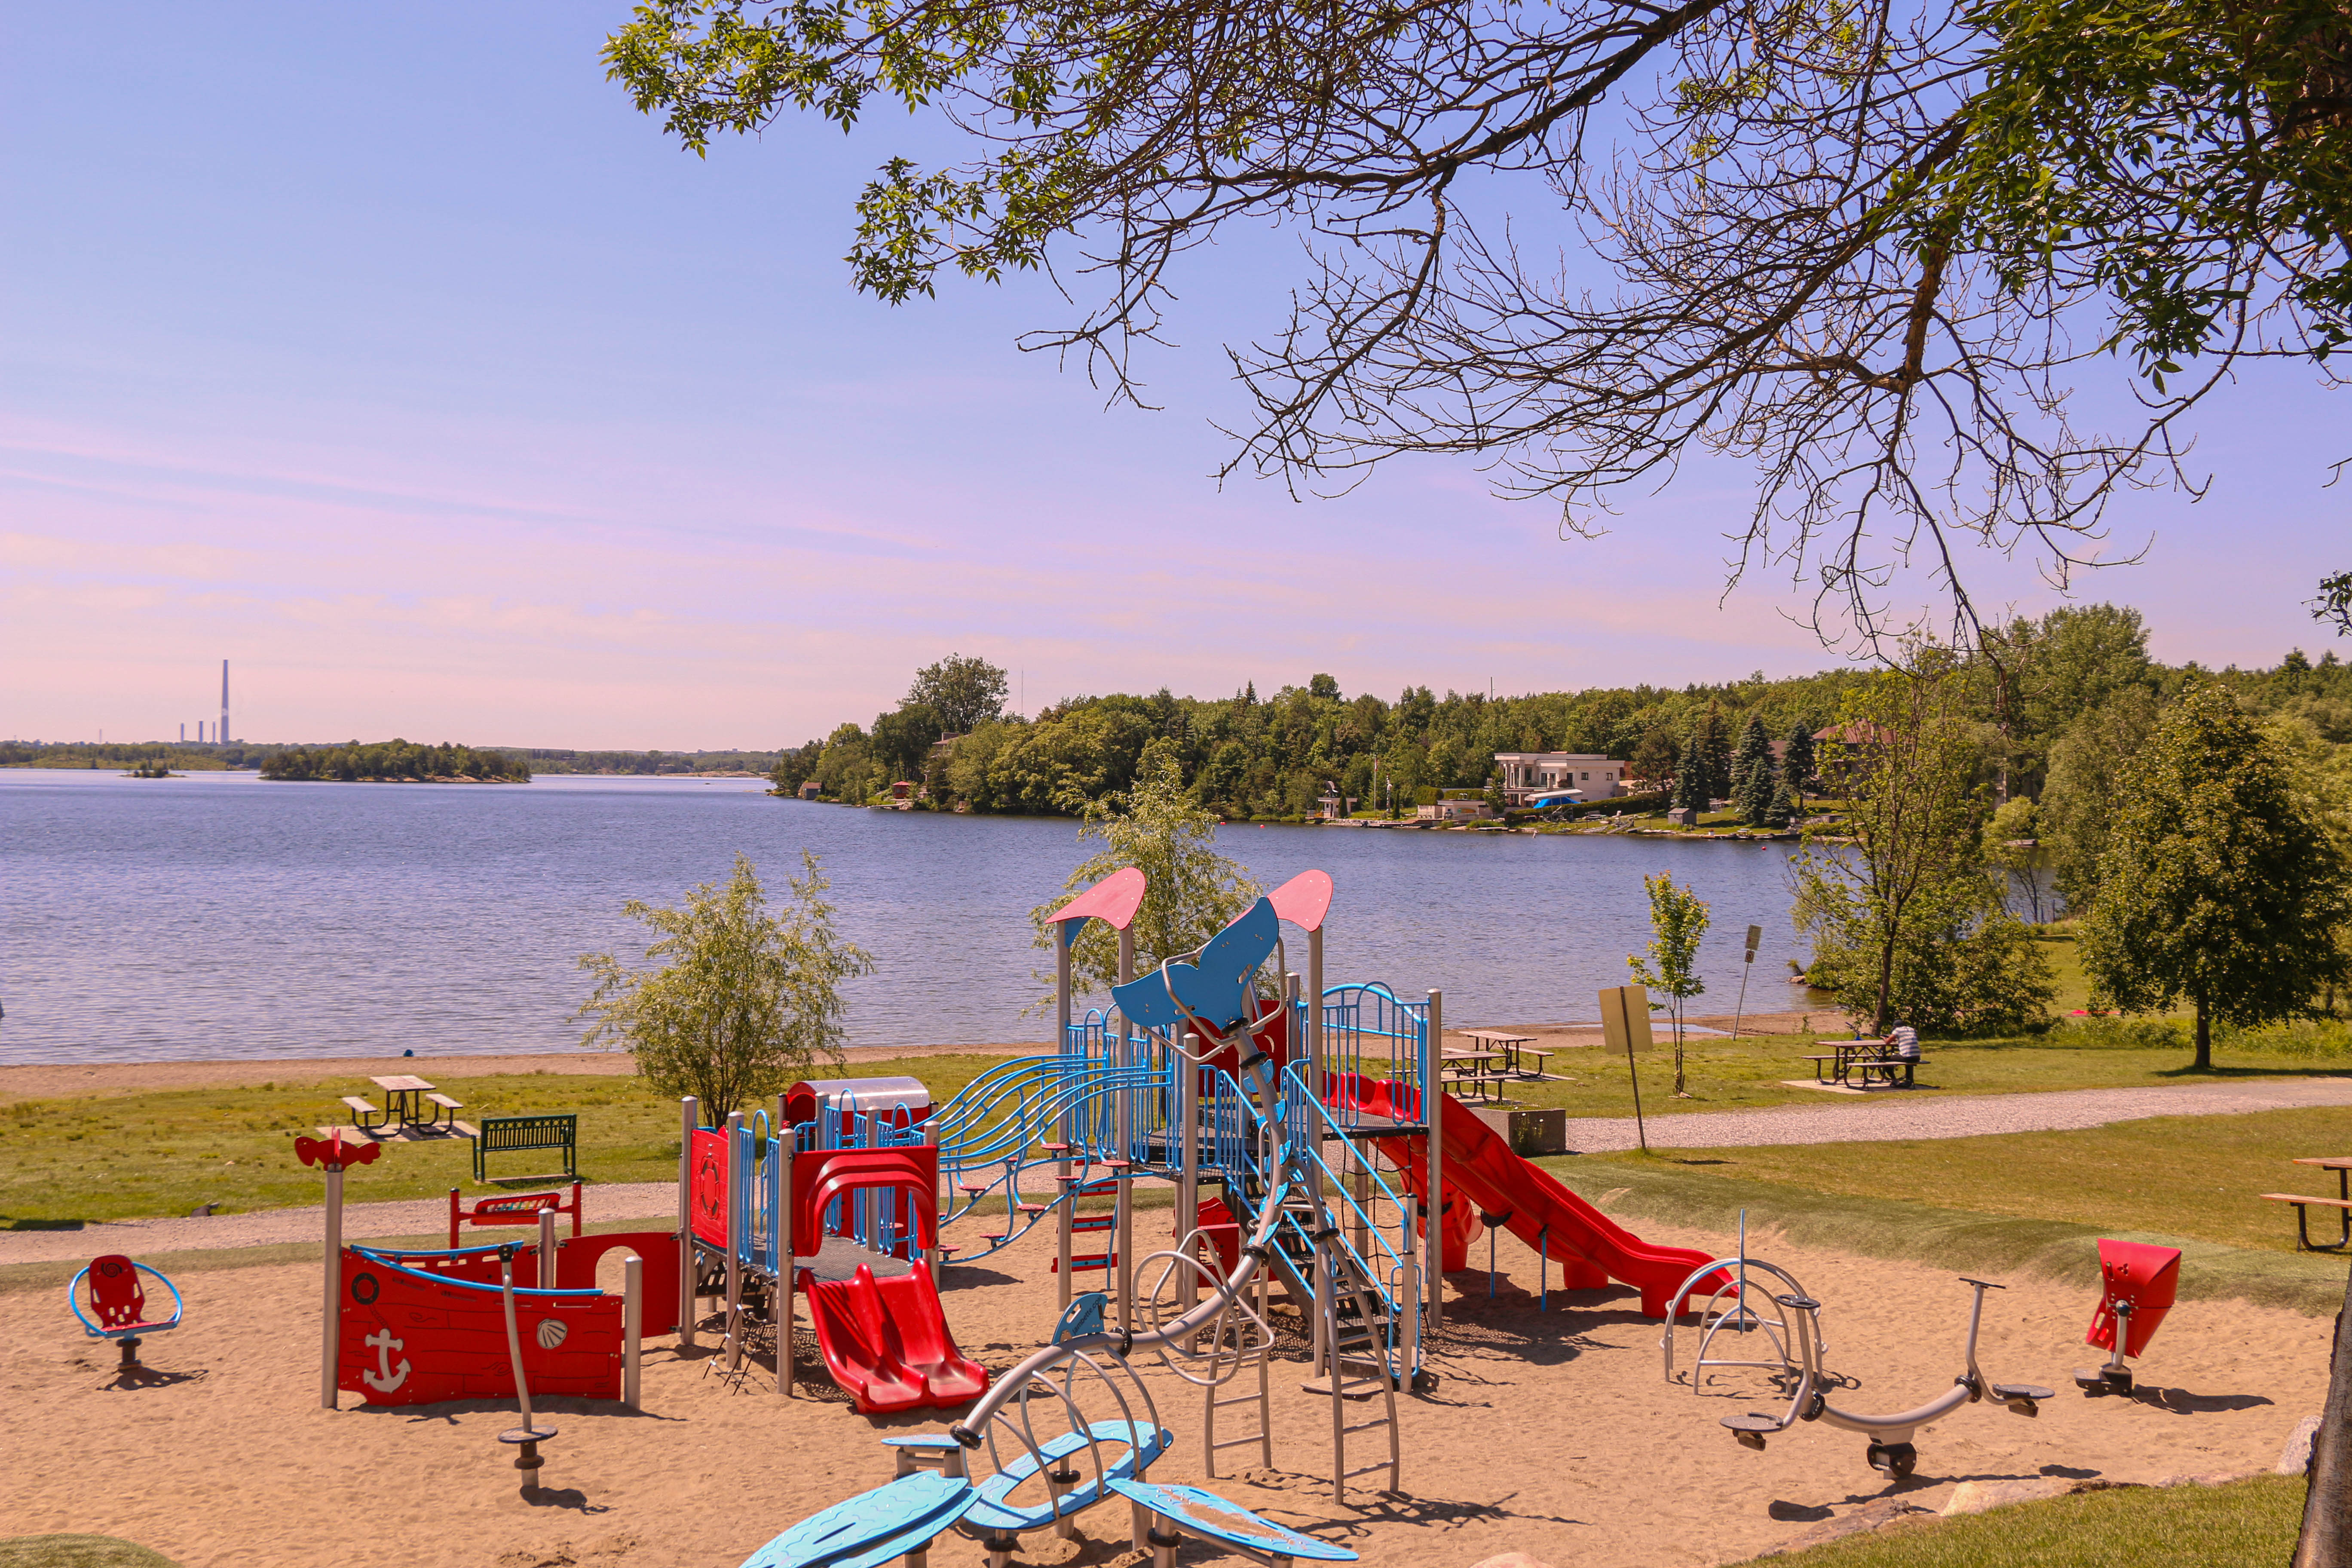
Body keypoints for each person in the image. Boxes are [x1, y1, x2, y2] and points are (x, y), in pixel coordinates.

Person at [1886, 1023, 1920, 1087]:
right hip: (1917, 1057)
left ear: (1896, 1026)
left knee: (1884, 1060)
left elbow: (1887, 1042)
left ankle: (1895, 1081)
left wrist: (1884, 1039)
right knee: (1909, 1059)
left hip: (1907, 1057)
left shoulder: (1898, 1030)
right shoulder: (1912, 1029)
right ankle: (1909, 1081)